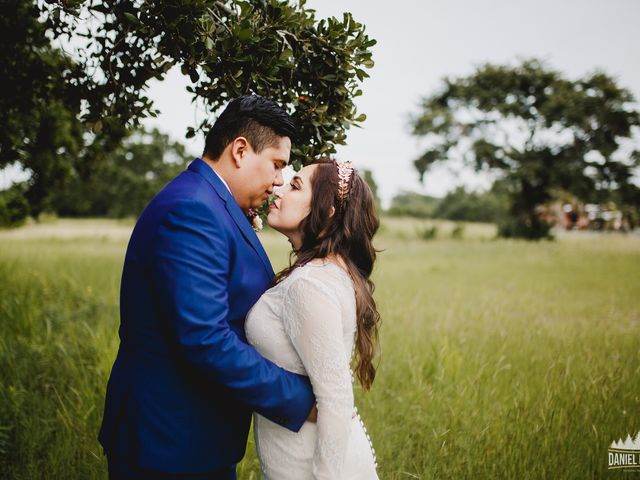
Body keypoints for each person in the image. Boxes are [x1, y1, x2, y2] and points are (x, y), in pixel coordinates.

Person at [98, 95, 317, 479]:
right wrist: (300, 398)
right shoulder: (193, 210)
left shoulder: (213, 203)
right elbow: (204, 338)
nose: (279, 179)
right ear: (240, 150)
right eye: (277, 165)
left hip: (195, 437)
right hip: (168, 442)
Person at [245, 158, 381, 479]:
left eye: (295, 186)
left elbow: (335, 400)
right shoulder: (327, 270)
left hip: (313, 468)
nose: (279, 186)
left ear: (328, 210)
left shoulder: (309, 284)